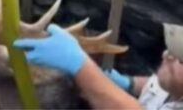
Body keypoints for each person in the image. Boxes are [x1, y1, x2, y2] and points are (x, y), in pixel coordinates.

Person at [14, 24, 183, 109]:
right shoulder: (175, 87)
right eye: (171, 50)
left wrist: (81, 66)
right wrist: (127, 83)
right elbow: (156, 85)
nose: (165, 55)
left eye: (179, 60)